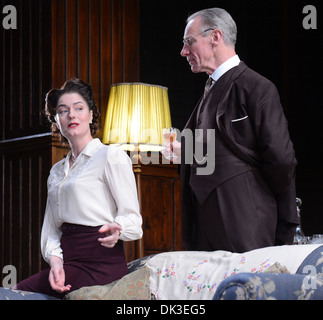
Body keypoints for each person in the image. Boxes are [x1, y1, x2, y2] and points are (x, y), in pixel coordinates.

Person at [177, 8, 299, 252]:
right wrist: (184, 151)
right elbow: (211, 154)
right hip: (204, 229)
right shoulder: (208, 92)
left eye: (189, 42)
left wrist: (249, 195)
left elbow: (281, 161)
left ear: (215, 37)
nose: (183, 52)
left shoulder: (257, 88)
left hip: (245, 223)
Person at [15, 78, 143, 298]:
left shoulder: (111, 156)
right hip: (69, 264)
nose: (71, 115)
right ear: (56, 120)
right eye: (63, 111)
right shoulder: (56, 171)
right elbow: (51, 229)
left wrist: (118, 229)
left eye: (79, 108)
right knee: (17, 292)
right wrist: (55, 262)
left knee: (16, 293)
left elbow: (134, 220)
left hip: (101, 264)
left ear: (91, 114)